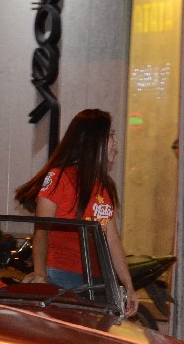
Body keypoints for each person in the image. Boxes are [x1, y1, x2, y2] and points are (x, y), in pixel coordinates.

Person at [14, 109, 137, 314]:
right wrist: (40, 274)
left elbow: (113, 240)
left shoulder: (105, 186)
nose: (115, 143)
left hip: (97, 279)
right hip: (62, 277)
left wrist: (128, 286)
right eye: (111, 136)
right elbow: (41, 232)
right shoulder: (58, 178)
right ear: (94, 140)